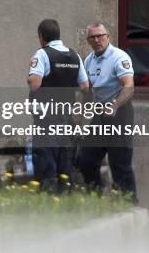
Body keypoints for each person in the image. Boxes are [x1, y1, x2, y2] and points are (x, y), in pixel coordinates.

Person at [27, 19, 89, 192]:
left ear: (41, 36)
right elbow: (85, 86)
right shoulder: (74, 56)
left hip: (46, 120)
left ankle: (48, 208)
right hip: (66, 119)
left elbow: (35, 84)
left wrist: (30, 77)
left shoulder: (42, 54)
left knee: (46, 166)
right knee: (65, 165)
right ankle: (66, 207)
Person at [79, 23, 137, 201]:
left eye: (100, 36)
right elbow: (88, 91)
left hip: (120, 113)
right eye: (92, 37)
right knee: (85, 159)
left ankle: (130, 203)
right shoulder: (89, 60)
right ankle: (95, 199)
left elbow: (129, 87)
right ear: (88, 41)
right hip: (100, 115)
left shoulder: (118, 57)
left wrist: (115, 105)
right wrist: (82, 118)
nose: (97, 40)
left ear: (108, 37)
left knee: (119, 162)